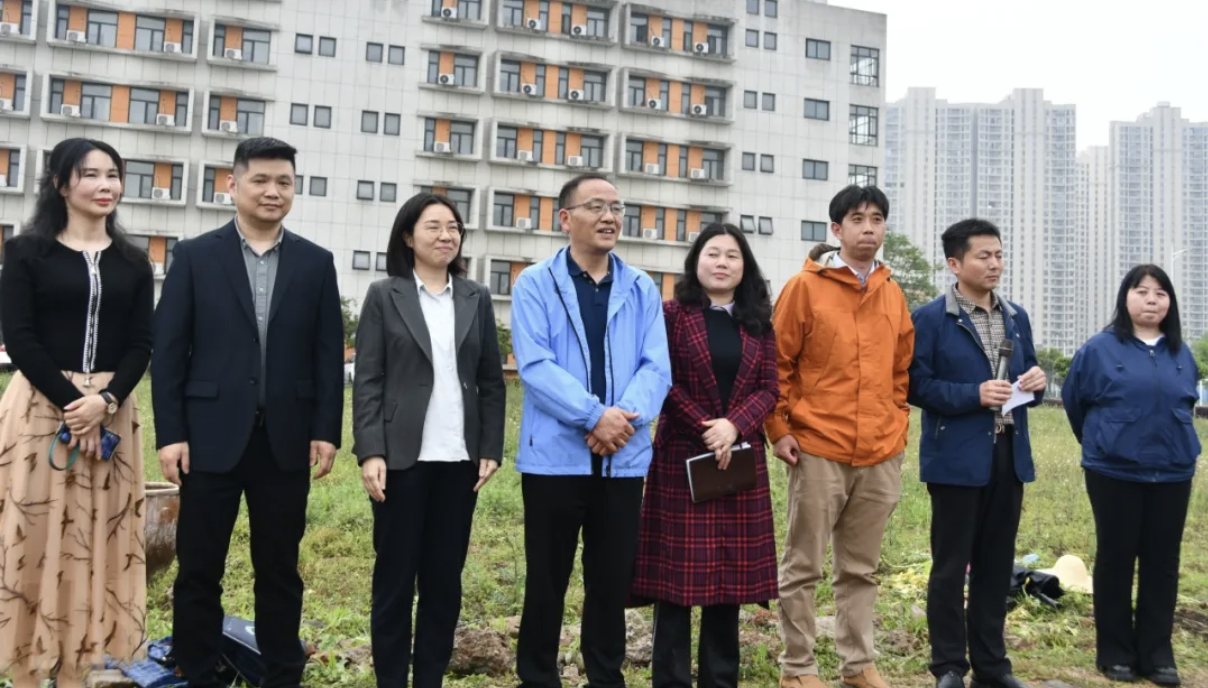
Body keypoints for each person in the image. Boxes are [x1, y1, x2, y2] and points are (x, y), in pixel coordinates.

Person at [152, 137, 344, 688]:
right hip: (208, 437)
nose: (272, 191)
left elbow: (327, 355)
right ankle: (197, 670)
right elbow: (170, 352)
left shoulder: (316, 262)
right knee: (199, 566)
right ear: (232, 185)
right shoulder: (195, 256)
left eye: (284, 182)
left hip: (285, 439)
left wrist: (326, 430)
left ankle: (282, 672)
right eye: (260, 180)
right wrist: (171, 434)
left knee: (279, 567)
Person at [0, 138, 151, 688]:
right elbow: (19, 336)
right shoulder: (25, 253)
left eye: (113, 174)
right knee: (35, 532)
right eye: (90, 174)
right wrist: (74, 406)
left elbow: (142, 343)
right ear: (61, 184)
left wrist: (104, 404)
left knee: (102, 535)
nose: (105, 185)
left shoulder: (134, 262)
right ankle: (26, 666)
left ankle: (84, 666)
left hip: (112, 411)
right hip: (41, 409)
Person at [510, 173, 672, 688]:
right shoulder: (535, 283)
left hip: (622, 459)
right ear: (566, 218)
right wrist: (593, 416)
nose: (609, 217)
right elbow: (535, 366)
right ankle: (538, 678)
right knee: (547, 580)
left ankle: (605, 677)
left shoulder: (641, 287)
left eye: (617, 208)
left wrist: (620, 418)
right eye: (596, 206)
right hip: (554, 460)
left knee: (610, 581)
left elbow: (656, 368)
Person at [352, 192, 507, 687]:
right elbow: (368, 379)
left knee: (444, 584)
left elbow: (491, 380)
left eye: (453, 227)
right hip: (401, 460)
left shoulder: (475, 297)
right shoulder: (385, 295)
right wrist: (370, 450)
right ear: (408, 236)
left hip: (459, 461)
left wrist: (490, 447)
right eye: (434, 226)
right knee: (394, 582)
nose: (446, 236)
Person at [769, 185, 913, 688]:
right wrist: (778, 429)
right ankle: (798, 667)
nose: (868, 228)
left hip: (879, 451)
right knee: (803, 564)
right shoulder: (804, 288)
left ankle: (858, 666)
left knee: (861, 569)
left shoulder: (892, 292)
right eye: (857, 219)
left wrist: (897, 424)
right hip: (817, 447)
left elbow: (900, 370)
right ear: (837, 229)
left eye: (877, 219)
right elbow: (776, 363)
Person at [630, 223, 779, 688]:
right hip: (681, 456)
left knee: (728, 584)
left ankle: (720, 679)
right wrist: (706, 427)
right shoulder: (671, 315)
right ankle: (670, 679)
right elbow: (661, 379)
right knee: (674, 584)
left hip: (738, 459)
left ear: (744, 267)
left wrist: (734, 426)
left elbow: (769, 388)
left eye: (732, 256)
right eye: (712, 253)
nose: (721, 263)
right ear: (696, 261)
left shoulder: (757, 321)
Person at [908, 219, 1046, 688]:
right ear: (955, 263)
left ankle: (992, 667)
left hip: (1008, 453)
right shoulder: (931, 318)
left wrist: (1036, 383)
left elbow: (1026, 377)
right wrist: (974, 394)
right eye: (983, 256)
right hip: (956, 458)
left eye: (999, 255)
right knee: (950, 568)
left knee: (996, 565)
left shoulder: (1016, 316)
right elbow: (915, 385)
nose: (994, 264)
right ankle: (949, 666)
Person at [1062, 265, 1199, 688]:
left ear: (1170, 302)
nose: (1152, 299)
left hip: (1172, 471)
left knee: (1163, 562)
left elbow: (1186, 404)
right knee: (1116, 558)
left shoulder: (1180, 352)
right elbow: (1074, 401)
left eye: (1160, 292)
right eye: (1142, 291)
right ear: (1126, 298)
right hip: (1114, 471)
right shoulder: (1100, 349)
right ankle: (1115, 653)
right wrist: (1104, 441)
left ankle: (1158, 655)